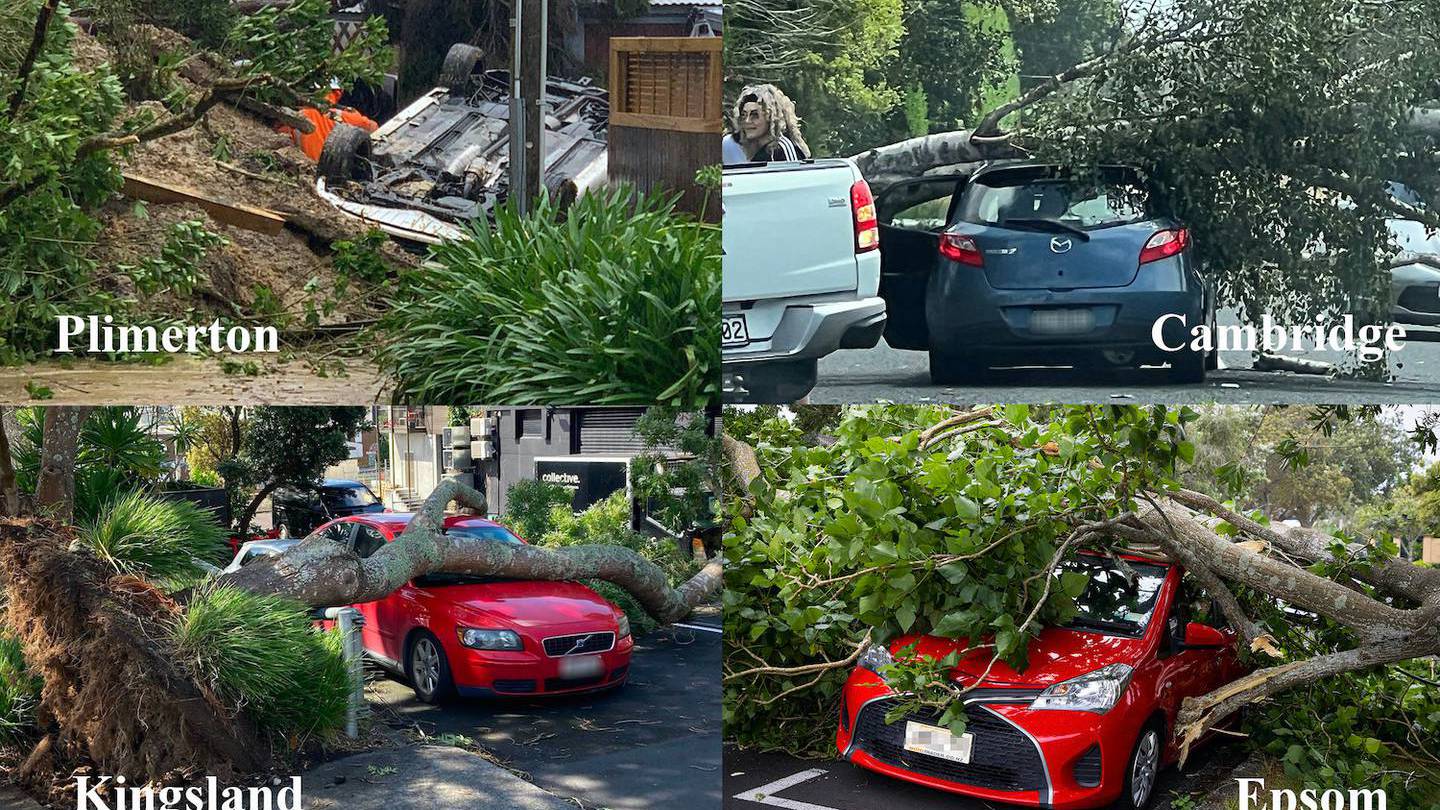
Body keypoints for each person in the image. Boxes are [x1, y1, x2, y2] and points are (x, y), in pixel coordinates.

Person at [728, 84, 811, 162]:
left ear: (771, 117)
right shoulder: (757, 152)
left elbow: (794, 176)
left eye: (755, 115)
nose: (747, 121)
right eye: (743, 115)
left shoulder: (783, 149)